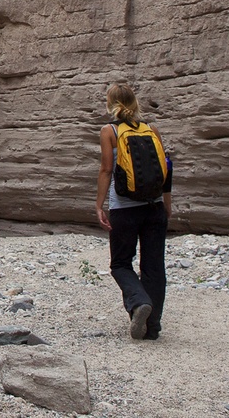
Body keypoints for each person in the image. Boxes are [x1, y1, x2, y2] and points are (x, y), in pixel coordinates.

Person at [94, 82, 171, 340]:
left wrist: (99, 204)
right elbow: (166, 168)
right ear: (135, 102)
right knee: (153, 267)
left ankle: (139, 304)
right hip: (154, 207)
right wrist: (167, 206)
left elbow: (106, 169)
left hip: (124, 210)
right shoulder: (152, 129)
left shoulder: (110, 131)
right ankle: (153, 328)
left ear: (110, 103)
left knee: (120, 263)